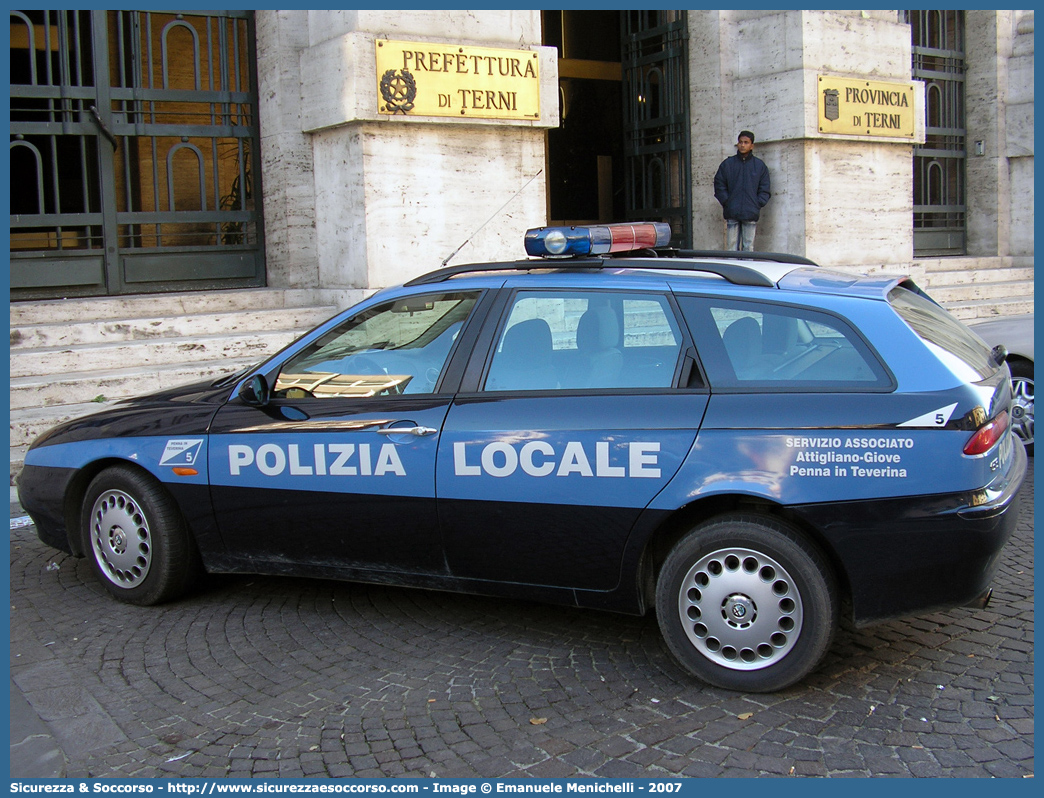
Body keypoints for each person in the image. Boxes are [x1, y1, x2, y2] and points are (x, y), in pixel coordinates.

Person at [713, 130, 771, 251]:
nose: (742, 145)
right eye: (740, 142)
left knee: (748, 248)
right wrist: (727, 202)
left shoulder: (759, 166)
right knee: (731, 248)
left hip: (750, 212)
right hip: (732, 212)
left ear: (752, 146)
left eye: (746, 142)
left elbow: (765, 188)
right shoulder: (728, 164)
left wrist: (757, 203)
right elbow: (719, 184)